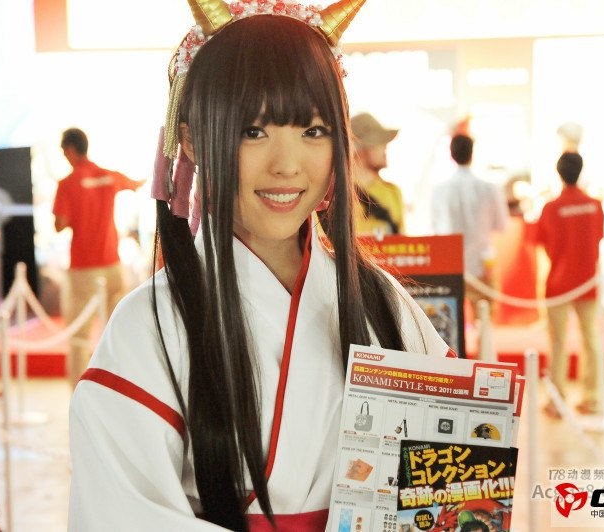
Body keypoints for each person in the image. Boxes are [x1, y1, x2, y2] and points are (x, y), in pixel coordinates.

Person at [68, 1, 452, 530]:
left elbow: (446, 485)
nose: (287, 165)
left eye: (313, 130)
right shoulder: (146, 327)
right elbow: (119, 514)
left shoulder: (384, 303)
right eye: (253, 131)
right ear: (191, 141)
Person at [52, 127, 145, 388]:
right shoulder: (109, 176)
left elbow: (60, 224)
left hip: (84, 269)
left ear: (70, 149)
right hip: (112, 266)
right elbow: (136, 184)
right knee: (116, 333)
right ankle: (119, 388)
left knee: (79, 338)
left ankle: (79, 393)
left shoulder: (67, 183)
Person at [536, 152, 604, 417]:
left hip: (559, 283)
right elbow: (598, 237)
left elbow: (543, 243)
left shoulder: (551, 208)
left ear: (559, 173)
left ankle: (557, 398)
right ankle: (592, 397)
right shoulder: (594, 206)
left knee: (557, 342)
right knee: (591, 338)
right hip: (587, 281)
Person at [430, 133, 508, 318]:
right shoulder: (490, 188)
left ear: (451, 155)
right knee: (485, 321)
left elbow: (436, 228)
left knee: (450, 323)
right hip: (482, 262)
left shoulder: (439, 190)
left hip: (451, 264)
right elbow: (502, 225)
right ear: (472, 153)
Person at [350, 112, 404, 235]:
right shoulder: (333, 196)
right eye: (379, 142)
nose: (385, 147)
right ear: (360, 147)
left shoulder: (393, 192)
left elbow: (402, 242)